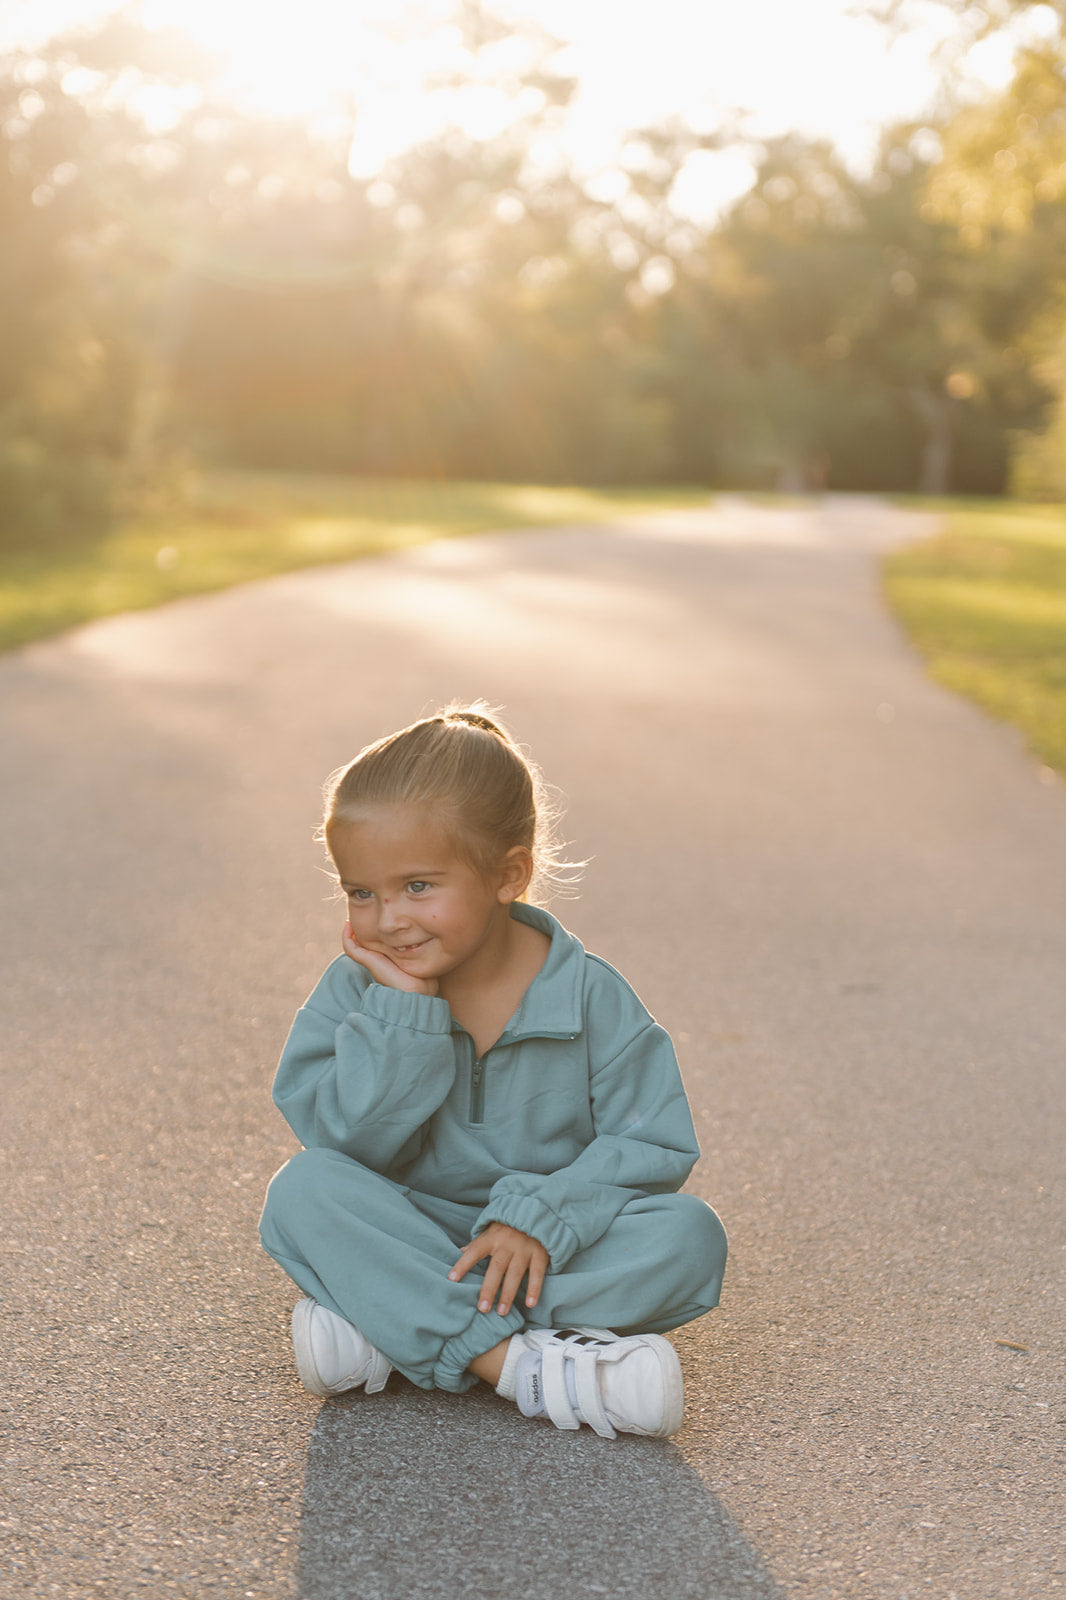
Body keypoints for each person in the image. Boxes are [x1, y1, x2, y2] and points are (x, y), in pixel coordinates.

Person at [259, 704, 727, 1439]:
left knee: (689, 1237)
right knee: (302, 1193)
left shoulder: (590, 994)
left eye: (418, 887)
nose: (387, 921)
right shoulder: (359, 989)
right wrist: (404, 1013)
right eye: (362, 892)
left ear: (508, 875)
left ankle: (387, 1321)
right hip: (409, 1226)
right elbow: (342, 1144)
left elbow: (653, 1143)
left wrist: (542, 1220)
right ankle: (526, 1369)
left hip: (550, 1244)